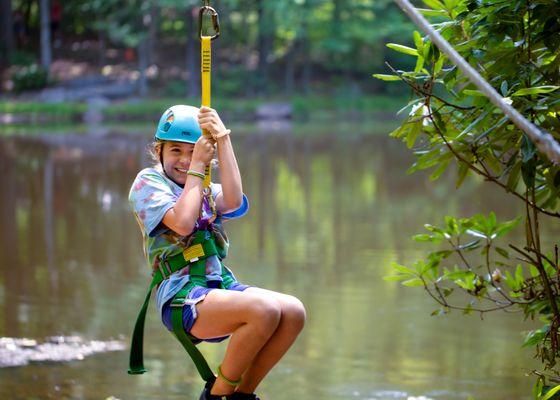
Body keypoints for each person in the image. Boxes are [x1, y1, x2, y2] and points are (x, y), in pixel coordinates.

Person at [129, 105, 306, 400]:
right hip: (181, 296)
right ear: (159, 151)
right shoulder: (148, 183)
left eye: (192, 151)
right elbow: (184, 224)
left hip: (218, 286)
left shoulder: (205, 186)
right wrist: (199, 166)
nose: (185, 160)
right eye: (175, 151)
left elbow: (235, 201)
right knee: (264, 309)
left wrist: (223, 140)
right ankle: (216, 396)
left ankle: (241, 395)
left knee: (293, 312)